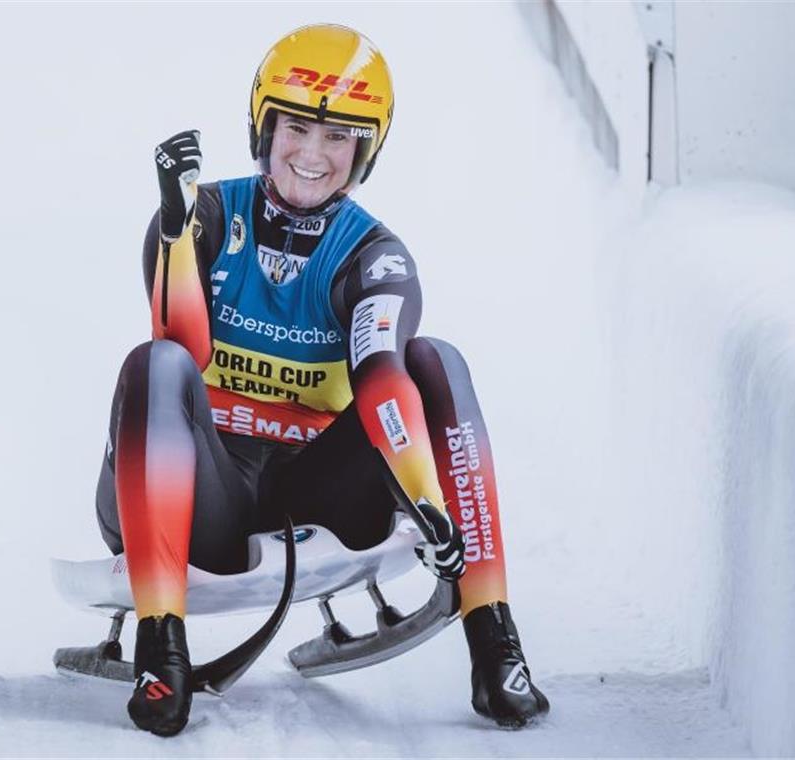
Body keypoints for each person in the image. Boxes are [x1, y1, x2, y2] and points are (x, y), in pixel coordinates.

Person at [94, 23, 549, 736]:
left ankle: (496, 644)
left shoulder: (375, 257)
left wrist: (424, 498)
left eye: (339, 138)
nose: (313, 155)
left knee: (437, 360)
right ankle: (163, 652)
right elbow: (181, 346)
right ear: (263, 127)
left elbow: (381, 378)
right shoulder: (200, 215)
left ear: (366, 150)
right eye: (298, 128)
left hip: (310, 492)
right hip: (196, 493)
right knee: (154, 365)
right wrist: (179, 240)